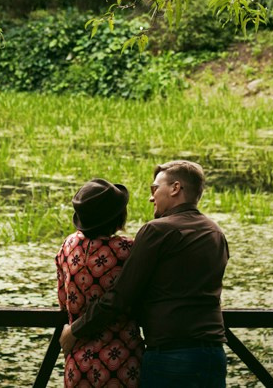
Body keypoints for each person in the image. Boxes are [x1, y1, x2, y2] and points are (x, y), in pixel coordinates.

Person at [59, 161, 229, 388]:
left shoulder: (157, 230)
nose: (152, 197)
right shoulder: (215, 232)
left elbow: (121, 296)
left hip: (169, 354)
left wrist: (75, 331)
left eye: (154, 189)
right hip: (213, 353)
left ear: (176, 188)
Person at [56, 178, 144, 387]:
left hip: (78, 363)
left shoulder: (68, 245)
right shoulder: (127, 251)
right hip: (122, 360)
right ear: (119, 217)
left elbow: (62, 300)